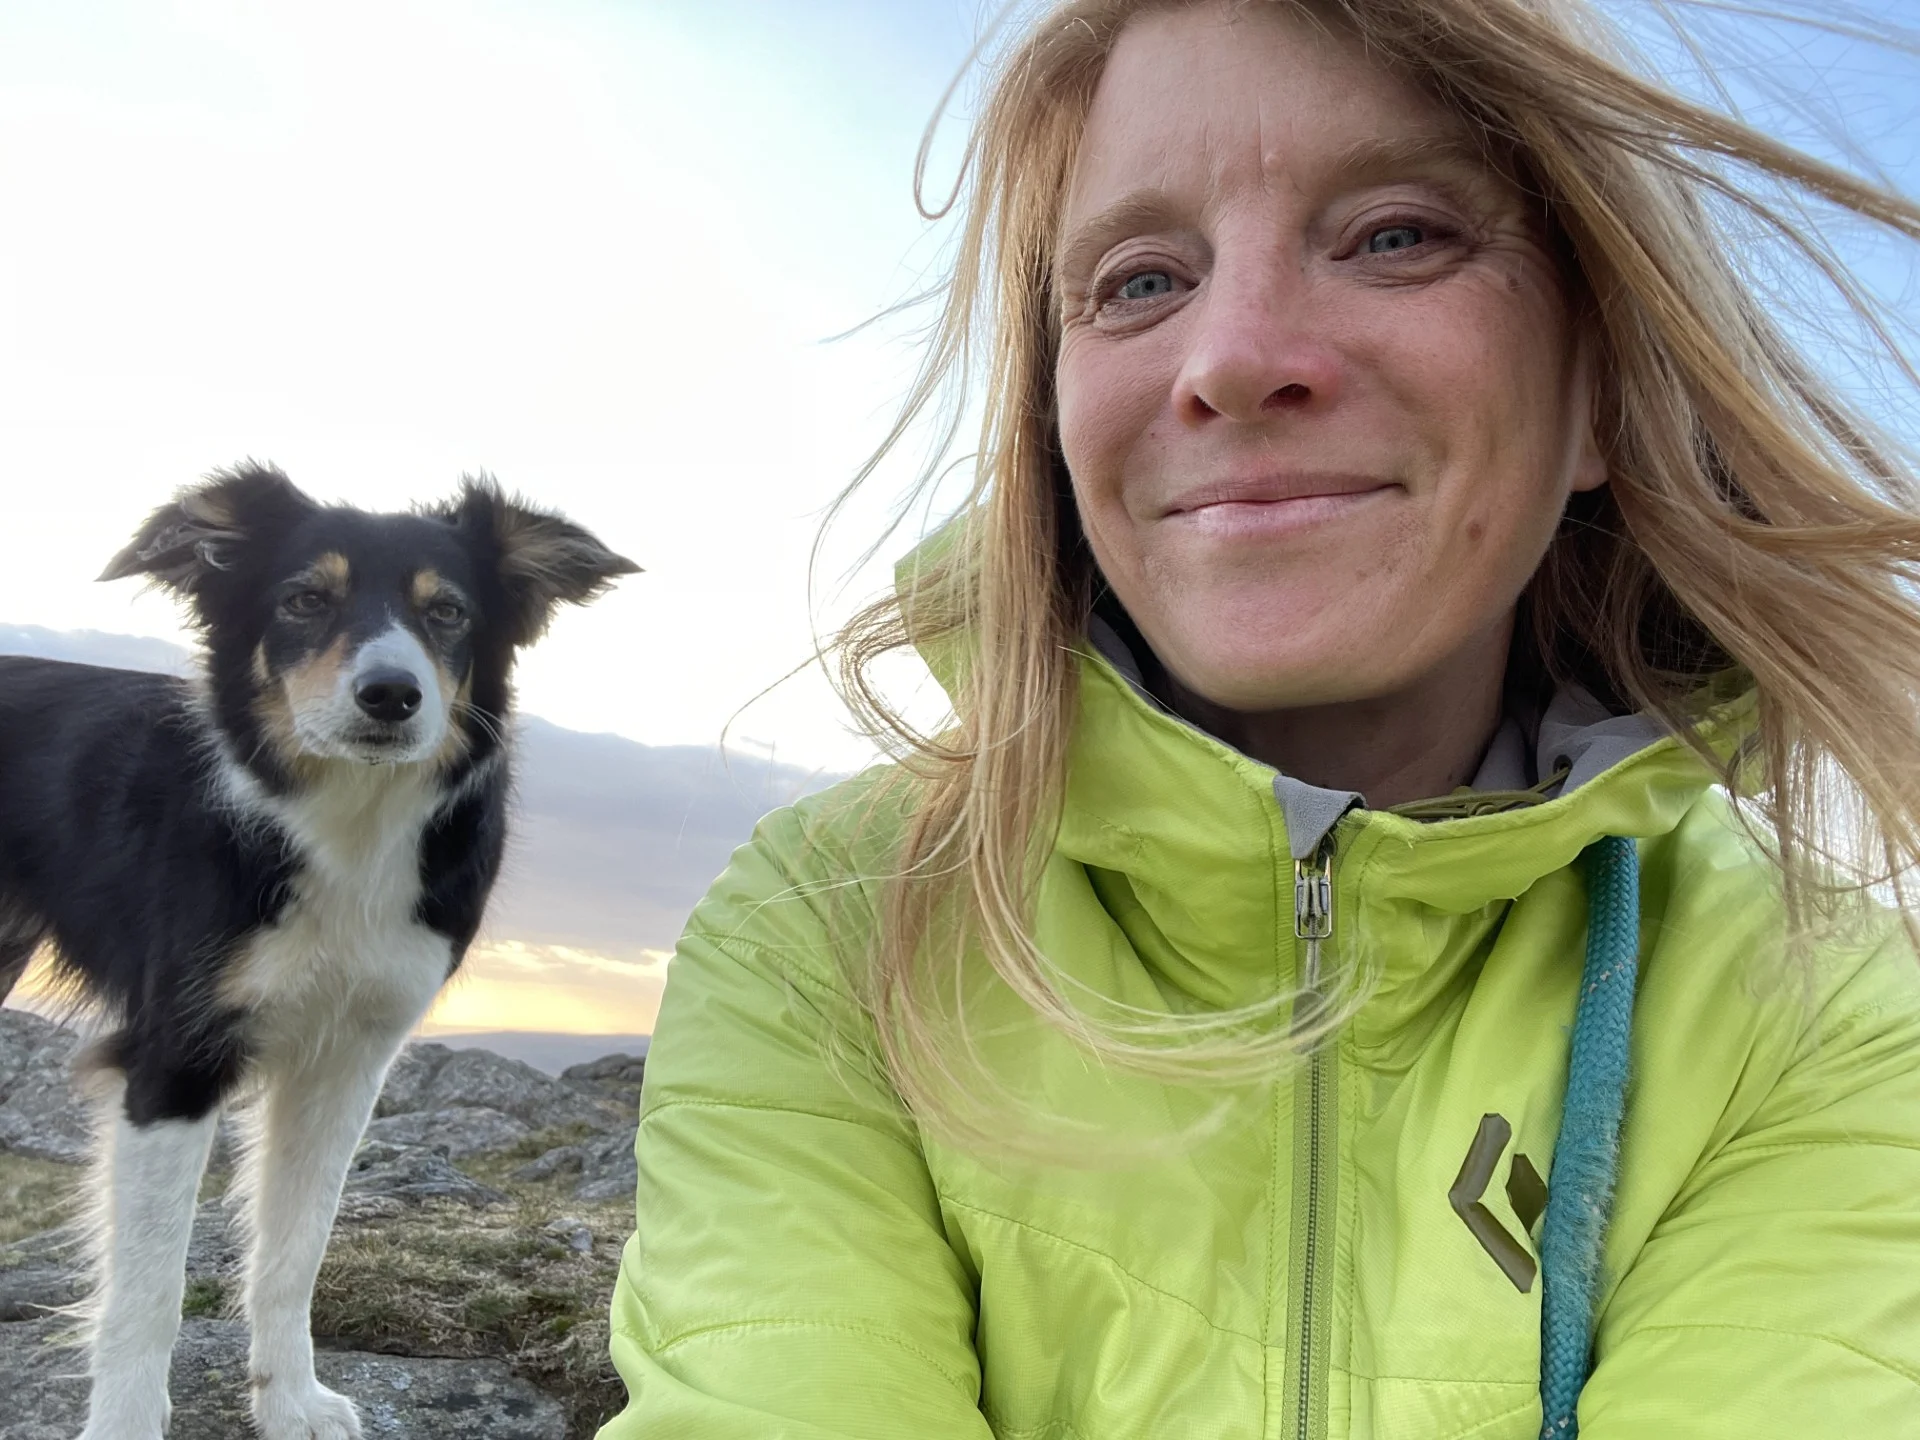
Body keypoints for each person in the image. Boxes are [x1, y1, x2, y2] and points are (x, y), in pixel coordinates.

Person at [598, 1, 1920, 1435]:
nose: (1230, 358)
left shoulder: (1816, 1005)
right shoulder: (832, 931)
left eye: (1396, 235)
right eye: (1140, 280)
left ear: (1598, 390)